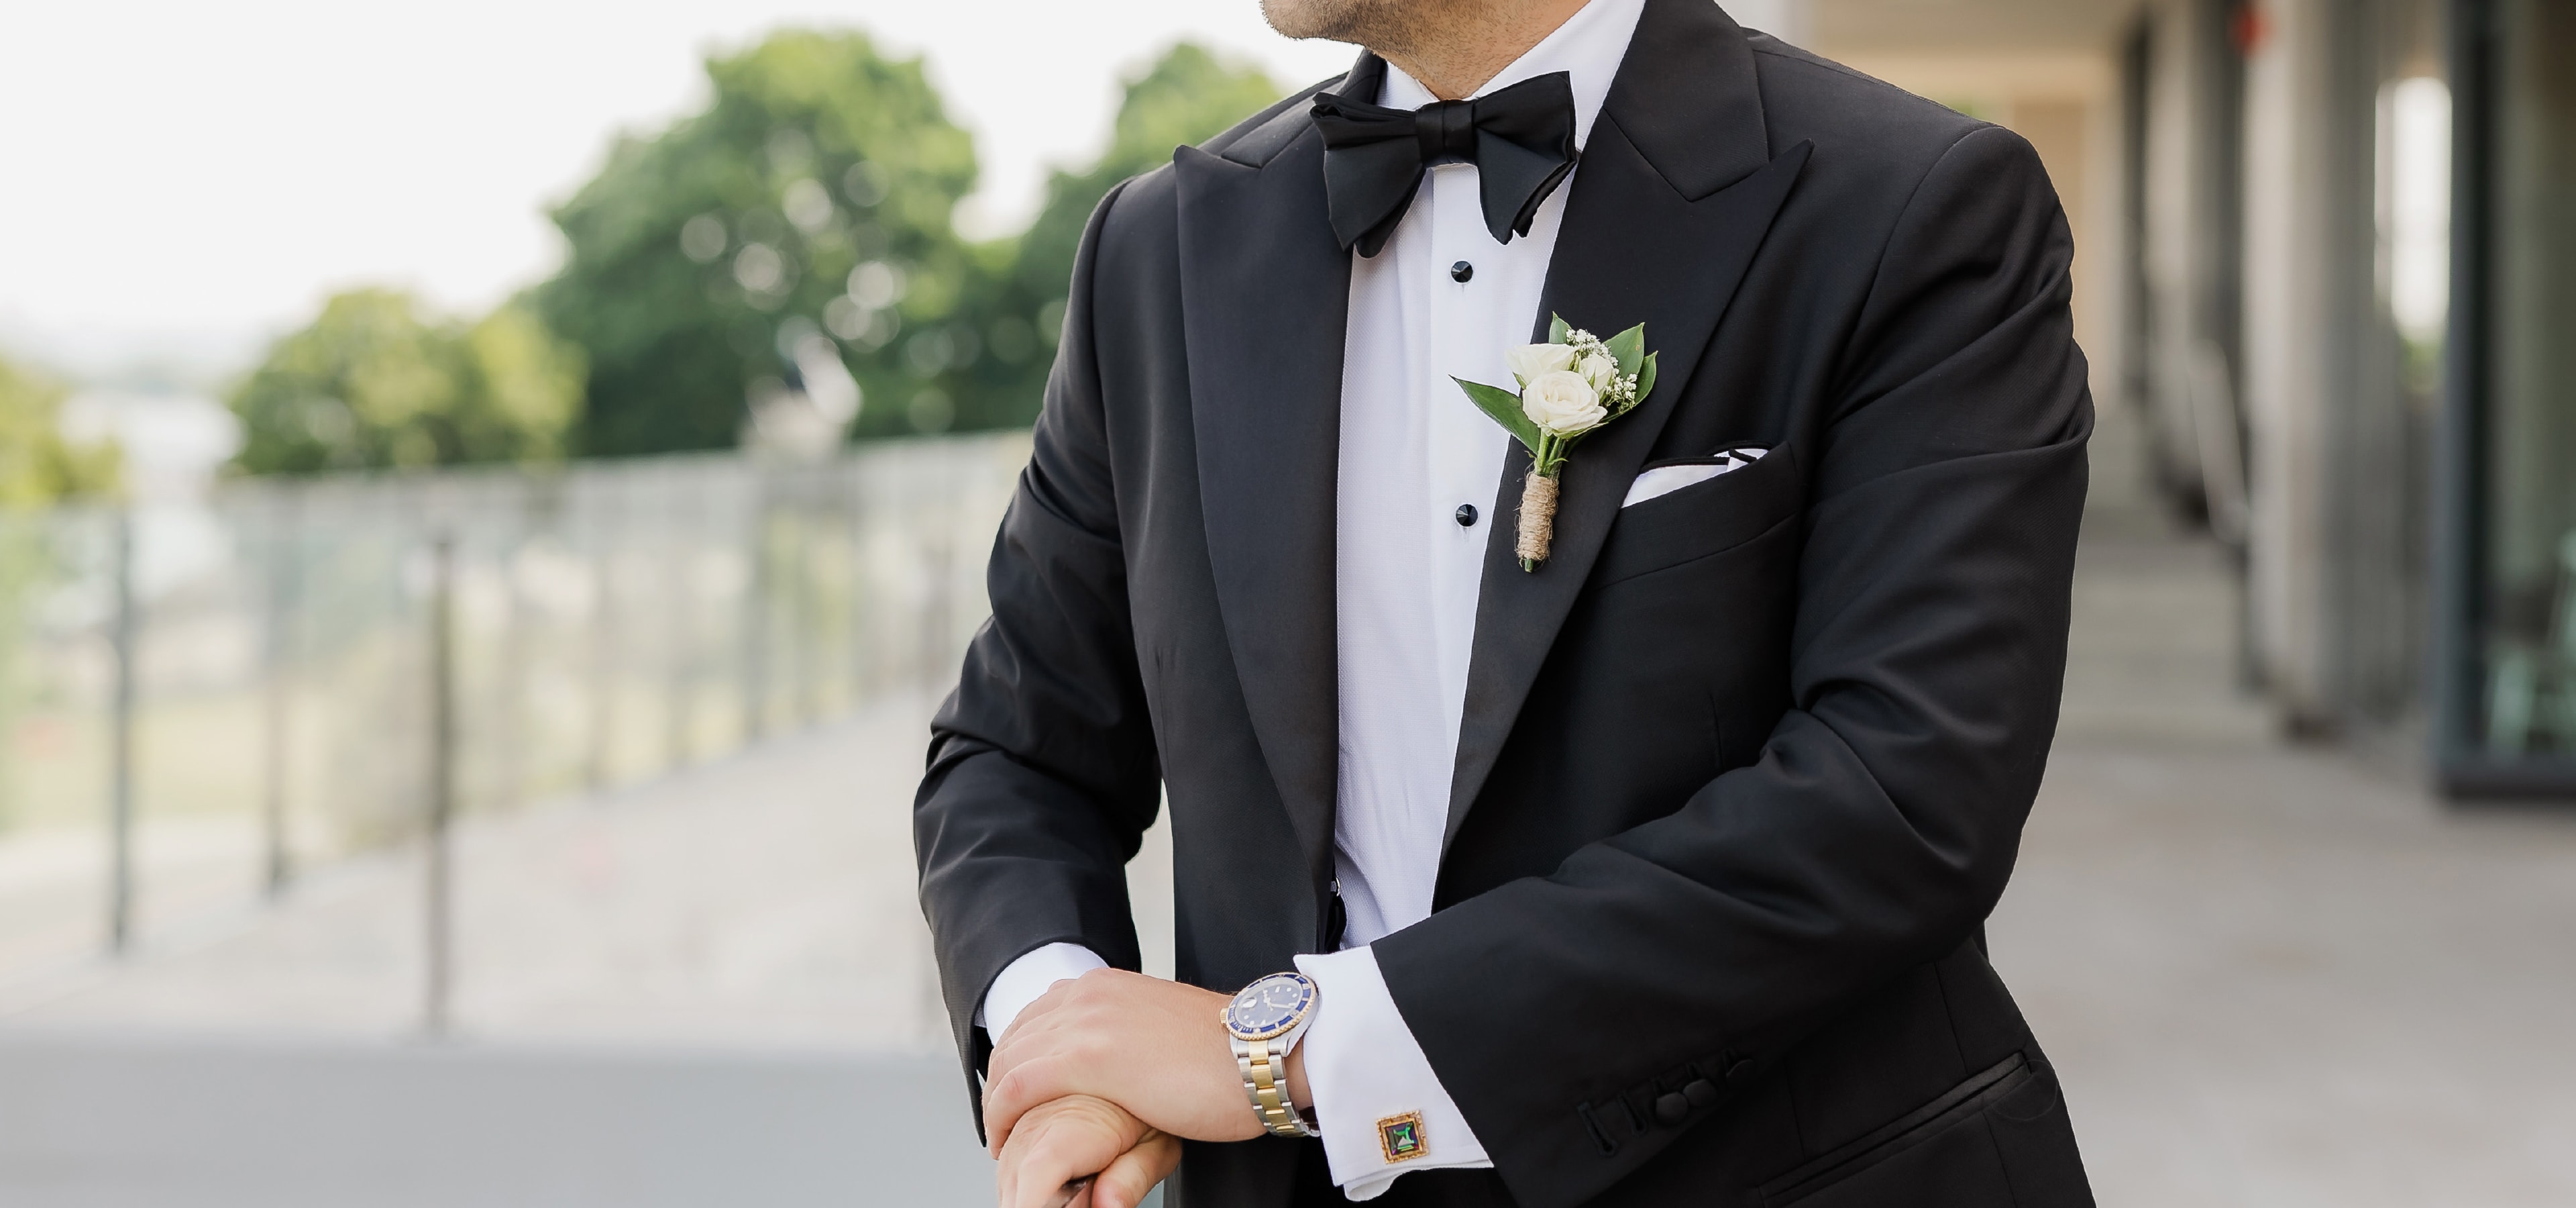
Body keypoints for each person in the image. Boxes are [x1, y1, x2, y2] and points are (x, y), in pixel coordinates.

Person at [913, 0, 2096, 1204]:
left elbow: (1902, 792)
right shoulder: (1157, 249)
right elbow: (1015, 752)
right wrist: (1060, 1043)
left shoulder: (1914, 205)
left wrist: (1289, 1052)